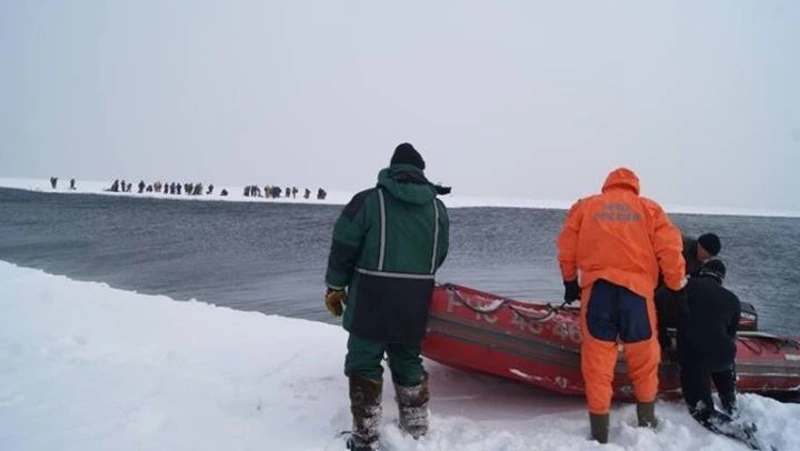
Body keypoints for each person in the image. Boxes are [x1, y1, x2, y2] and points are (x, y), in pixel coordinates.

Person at [324, 143, 450, 451]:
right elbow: (440, 254)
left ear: (392, 169)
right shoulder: (437, 209)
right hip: (415, 298)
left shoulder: (369, 201)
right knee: (407, 358)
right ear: (421, 172)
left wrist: (335, 286)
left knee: (364, 361)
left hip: (371, 297)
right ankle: (416, 427)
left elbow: (343, 245)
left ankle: (365, 437)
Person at [556, 167, 686, 444]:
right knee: (645, 361)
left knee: (597, 364)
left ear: (607, 184)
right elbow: (670, 249)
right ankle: (647, 422)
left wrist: (569, 281)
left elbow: (567, 245)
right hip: (637, 295)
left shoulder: (586, 206)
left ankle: (600, 434)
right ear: (634, 186)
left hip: (598, 292)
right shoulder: (649, 209)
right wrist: (675, 287)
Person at [662, 259, 741, 429]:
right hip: (724, 355)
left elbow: (655, 303)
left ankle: (734, 428)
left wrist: (663, 335)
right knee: (720, 350)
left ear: (701, 272)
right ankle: (730, 403)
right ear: (721, 279)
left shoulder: (684, 285)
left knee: (701, 410)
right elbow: (731, 334)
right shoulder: (733, 299)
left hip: (695, 355)